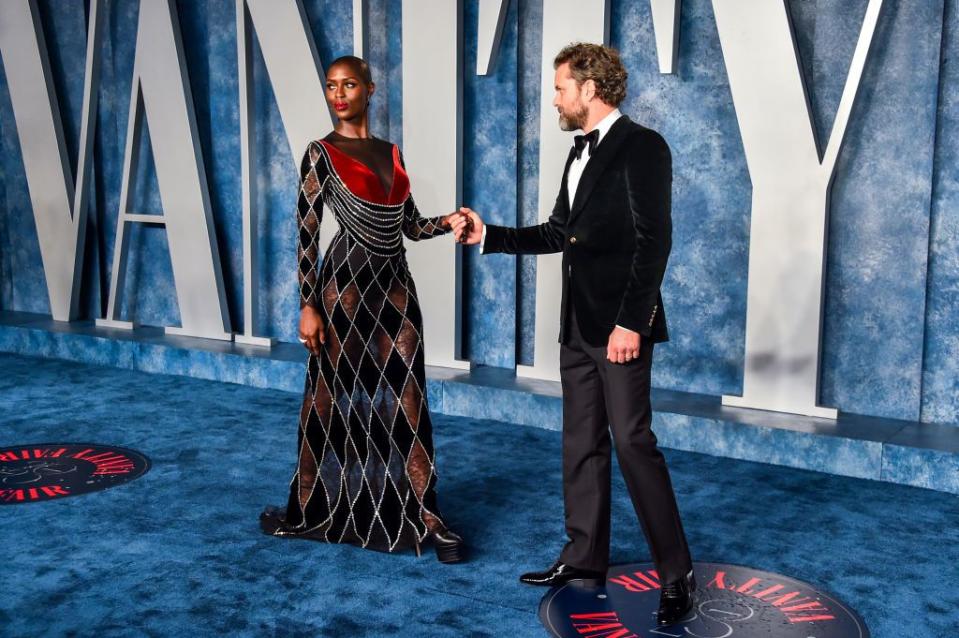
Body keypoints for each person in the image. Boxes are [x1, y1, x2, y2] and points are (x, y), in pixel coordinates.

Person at [455, 43, 696, 624]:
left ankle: (677, 573)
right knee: (580, 444)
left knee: (634, 444)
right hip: (577, 328)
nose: (556, 98)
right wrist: (491, 235)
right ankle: (584, 558)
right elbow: (559, 232)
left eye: (561, 87)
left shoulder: (644, 147)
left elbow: (653, 242)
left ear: (590, 89)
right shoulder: (579, 153)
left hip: (619, 329)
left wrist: (631, 322)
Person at [260, 55, 470, 564]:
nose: (338, 94)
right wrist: (308, 304)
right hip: (343, 290)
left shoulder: (391, 152)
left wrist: (449, 220)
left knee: (407, 397)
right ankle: (314, 504)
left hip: (395, 287)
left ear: (369, 90)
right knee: (331, 395)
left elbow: (410, 226)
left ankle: (425, 514)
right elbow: (306, 232)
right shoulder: (320, 153)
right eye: (331, 86)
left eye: (348, 84)